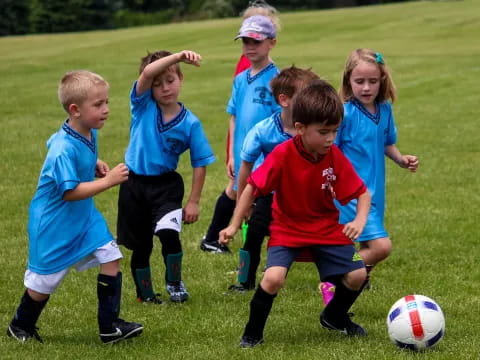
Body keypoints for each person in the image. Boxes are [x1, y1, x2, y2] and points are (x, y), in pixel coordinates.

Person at [219, 80, 372, 348]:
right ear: (299, 129)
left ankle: (334, 317)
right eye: (323, 132)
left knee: (359, 272)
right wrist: (233, 225)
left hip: (327, 229)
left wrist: (359, 221)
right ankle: (252, 333)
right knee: (273, 278)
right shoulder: (282, 155)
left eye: (334, 131)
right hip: (287, 230)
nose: (330, 139)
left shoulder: (333, 155)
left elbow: (362, 193)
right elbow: (252, 188)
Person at [6, 70, 143, 344]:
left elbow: (59, 142)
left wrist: (93, 163)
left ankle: (109, 327)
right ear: (75, 110)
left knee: (110, 256)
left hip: (83, 218)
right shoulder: (62, 149)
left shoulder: (85, 131)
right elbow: (69, 192)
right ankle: (20, 325)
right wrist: (110, 181)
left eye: (106, 102)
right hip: (54, 223)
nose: (106, 109)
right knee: (43, 284)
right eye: (98, 104)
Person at [319, 49, 419, 304]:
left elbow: (387, 143)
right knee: (380, 247)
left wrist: (400, 159)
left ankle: (352, 284)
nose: (366, 87)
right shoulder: (345, 114)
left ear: (382, 80)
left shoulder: (384, 110)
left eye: (372, 81)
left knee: (366, 247)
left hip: (376, 191)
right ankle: (335, 277)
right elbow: (331, 150)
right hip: (350, 193)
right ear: (348, 81)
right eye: (359, 81)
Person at [116, 50, 215, 304]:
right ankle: (145, 295)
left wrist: (193, 201)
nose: (164, 88)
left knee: (169, 233)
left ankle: (174, 283)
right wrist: (179, 56)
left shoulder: (190, 123)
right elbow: (148, 72)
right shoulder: (142, 106)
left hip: (166, 186)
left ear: (181, 78)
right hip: (133, 185)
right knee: (141, 246)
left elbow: (200, 163)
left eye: (170, 81)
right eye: (157, 85)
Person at [227, 66, 320, 293]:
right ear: (284, 100)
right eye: (305, 96)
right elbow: (246, 167)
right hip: (270, 196)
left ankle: (342, 275)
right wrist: (243, 203)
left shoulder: (313, 129)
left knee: (324, 238)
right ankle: (245, 281)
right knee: (254, 235)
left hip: (305, 198)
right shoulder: (264, 131)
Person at [200, 14, 281, 254]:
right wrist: (232, 155)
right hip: (244, 156)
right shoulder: (239, 80)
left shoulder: (278, 81)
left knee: (256, 207)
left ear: (272, 42)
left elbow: (281, 124)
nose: (250, 47)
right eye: (246, 41)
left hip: (266, 156)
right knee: (240, 197)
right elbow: (234, 117)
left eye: (256, 41)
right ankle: (221, 242)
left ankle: (260, 252)